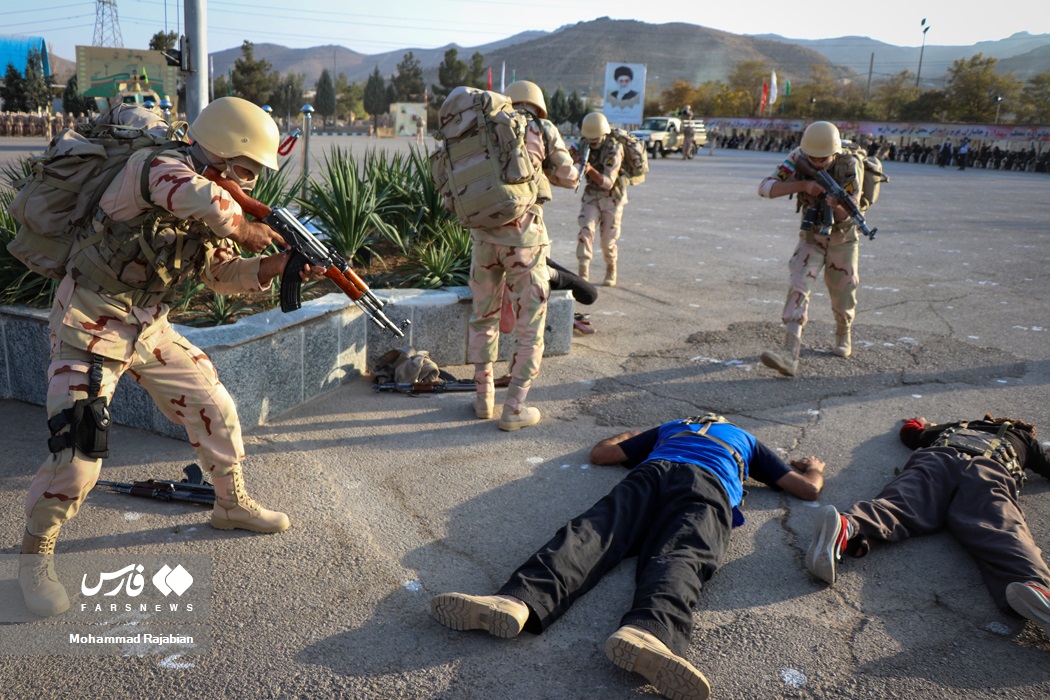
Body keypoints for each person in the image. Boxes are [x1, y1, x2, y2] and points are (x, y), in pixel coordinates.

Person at [17, 96, 326, 618]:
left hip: (147, 324)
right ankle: (35, 556)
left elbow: (220, 276)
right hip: (90, 323)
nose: (250, 185)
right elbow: (198, 197)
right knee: (79, 453)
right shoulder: (157, 167)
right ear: (222, 156)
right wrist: (248, 225)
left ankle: (229, 505)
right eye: (247, 171)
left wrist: (276, 265)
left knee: (215, 405)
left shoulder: (208, 197)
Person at [431, 414, 826, 700]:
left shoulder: (673, 427)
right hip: (708, 486)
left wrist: (628, 435)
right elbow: (805, 490)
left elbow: (603, 454)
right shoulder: (745, 440)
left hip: (652, 473)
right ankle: (649, 631)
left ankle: (516, 601)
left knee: (592, 533)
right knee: (682, 555)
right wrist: (815, 469)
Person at [805, 415, 1050, 638]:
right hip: (987, 471)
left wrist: (918, 422)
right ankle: (1035, 586)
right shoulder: (1022, 438)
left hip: (936, 460)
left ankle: (848, 526)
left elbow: (911, 434)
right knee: (1001, 530)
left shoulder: (956, 427)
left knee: (897, 505)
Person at [466, 80, 577, 432]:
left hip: (483, 238)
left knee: (483, 318)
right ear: (538, 105)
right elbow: (568, 176)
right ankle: (514, 408)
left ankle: (483, 399)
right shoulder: (540, 127)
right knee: (530, 328)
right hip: (524, 241)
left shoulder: (483, 126)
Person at [757, 121, 864, 377]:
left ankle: (843, 331)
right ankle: (789, 354)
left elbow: (851, 213)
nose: (817, 162)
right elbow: (765, 188)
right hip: (812, 235)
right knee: (798, 284)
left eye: (823, 158)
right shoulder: (797, 157)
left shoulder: (849, 165)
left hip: (843, 238)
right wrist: (803, 185)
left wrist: (836, 203)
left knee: (844, 291)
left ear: (835, 152)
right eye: (812, 158)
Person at [577, 112, 628, 287]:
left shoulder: (614, 148)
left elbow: (607, 183)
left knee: (607, 241)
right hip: (592, 194)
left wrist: (589, 170)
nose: (592, 142)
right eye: (589, 138)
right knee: (585, 231)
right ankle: (583, 273)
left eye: (595, 139)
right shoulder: (584, 143)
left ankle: (611, 267)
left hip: (612, 198)